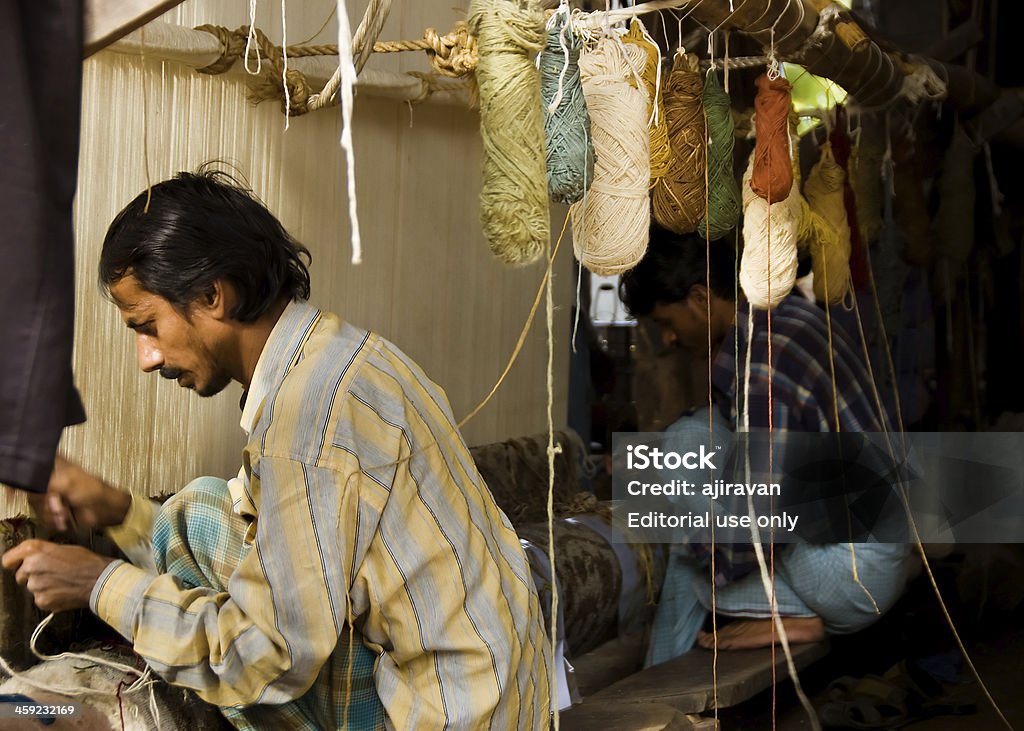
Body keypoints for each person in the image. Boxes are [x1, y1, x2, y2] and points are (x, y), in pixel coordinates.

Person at [2, 168, 551, 730]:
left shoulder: (304, 424)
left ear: (213, 294)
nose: (146, 357)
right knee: (203, 509)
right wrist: (115, 509)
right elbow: (274, 543)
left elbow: (265, 657)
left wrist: (98, 585)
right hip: (510, 694)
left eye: (148, 325)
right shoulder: (350, 356)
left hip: (446, 717)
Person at [619, 226, 912, 665]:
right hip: (876, 548)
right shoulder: (782, 313)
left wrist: (699, 552)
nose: (667, 340)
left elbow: (760, 523)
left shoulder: (762, 362)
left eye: (665, 323)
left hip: (852, 575)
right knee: (688, 437)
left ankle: (657, 701)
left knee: (687, 567)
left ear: (700, 299)